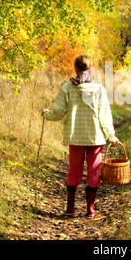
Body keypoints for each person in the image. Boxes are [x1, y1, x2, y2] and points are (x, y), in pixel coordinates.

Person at [41, 55, 119, 217]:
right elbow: (105, 116)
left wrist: (46, 114)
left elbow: (59, 112)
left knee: (74, 169)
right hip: (95, 137)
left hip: (75, 137)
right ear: (90, 69)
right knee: (94, 171)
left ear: (76, 69)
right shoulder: (98, 89)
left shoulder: (67, 88)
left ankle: (70, 208)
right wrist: (111, 136)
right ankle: (90, 209)